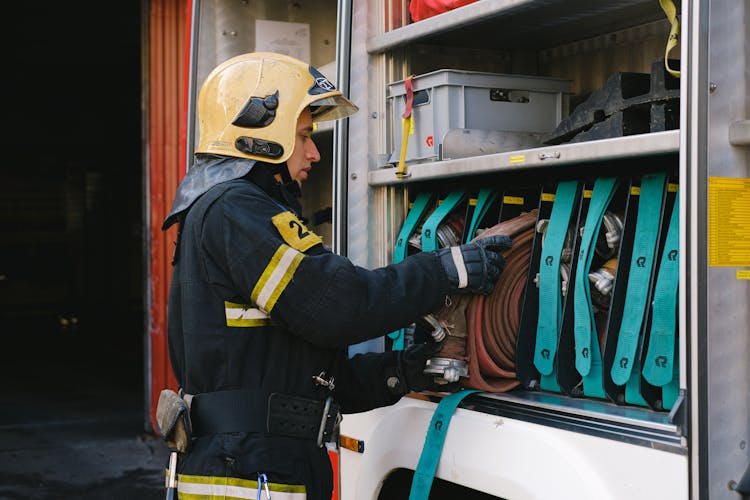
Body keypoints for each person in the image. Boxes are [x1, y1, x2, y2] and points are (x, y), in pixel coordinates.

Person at [161, 52, 512, 500]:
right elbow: (337, 307)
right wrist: (447, 269)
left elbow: (308, 380)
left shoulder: (226, 212)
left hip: (254, 463)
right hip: (247, 474)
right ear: (259, 138)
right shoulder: (234, 210)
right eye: (304, 136)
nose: (314, 152)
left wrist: (406, 370)